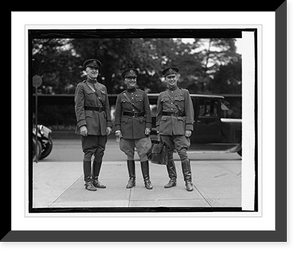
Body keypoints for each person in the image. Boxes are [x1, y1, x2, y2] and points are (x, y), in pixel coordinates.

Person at [74, 59, 112, 191]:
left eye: (96, 69)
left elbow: (107, 107)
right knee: (89, 152)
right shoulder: (81, 86)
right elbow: (79, 107)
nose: (94, 70)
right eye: (91, 68)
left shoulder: (102, 88)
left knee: (100, 152)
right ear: (86, 71)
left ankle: (95, 179)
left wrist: (108, 124)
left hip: (102, 124)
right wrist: (82, 125)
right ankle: (87, 181)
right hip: (89, 124)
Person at [156, 67, 194, 191]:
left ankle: (188, 181)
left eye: (173, 77)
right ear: (165, 79)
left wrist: (189, 127)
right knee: (168, 155)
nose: (171, 79)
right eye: (169, 77)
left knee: (183, 154)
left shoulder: (184, 93)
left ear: (177, 77)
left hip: (180, 128)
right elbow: (159, 114)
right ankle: (172, 179)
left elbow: (189, 111)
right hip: (165, 128)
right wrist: (158, 129)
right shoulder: (162, 95)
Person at [114, 68, 153, 189]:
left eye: (134, 78)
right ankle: (132, 179)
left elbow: (147, 111)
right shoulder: (121, 96)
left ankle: (147, 180)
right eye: (129, 78)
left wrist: (148, 126)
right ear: (125, 80)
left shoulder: (143, 94)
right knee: (129, 154)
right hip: (126, 129)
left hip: (140, 128)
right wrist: (118, 129)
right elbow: (118, 114)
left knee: (143, 154)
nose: (132, 80)